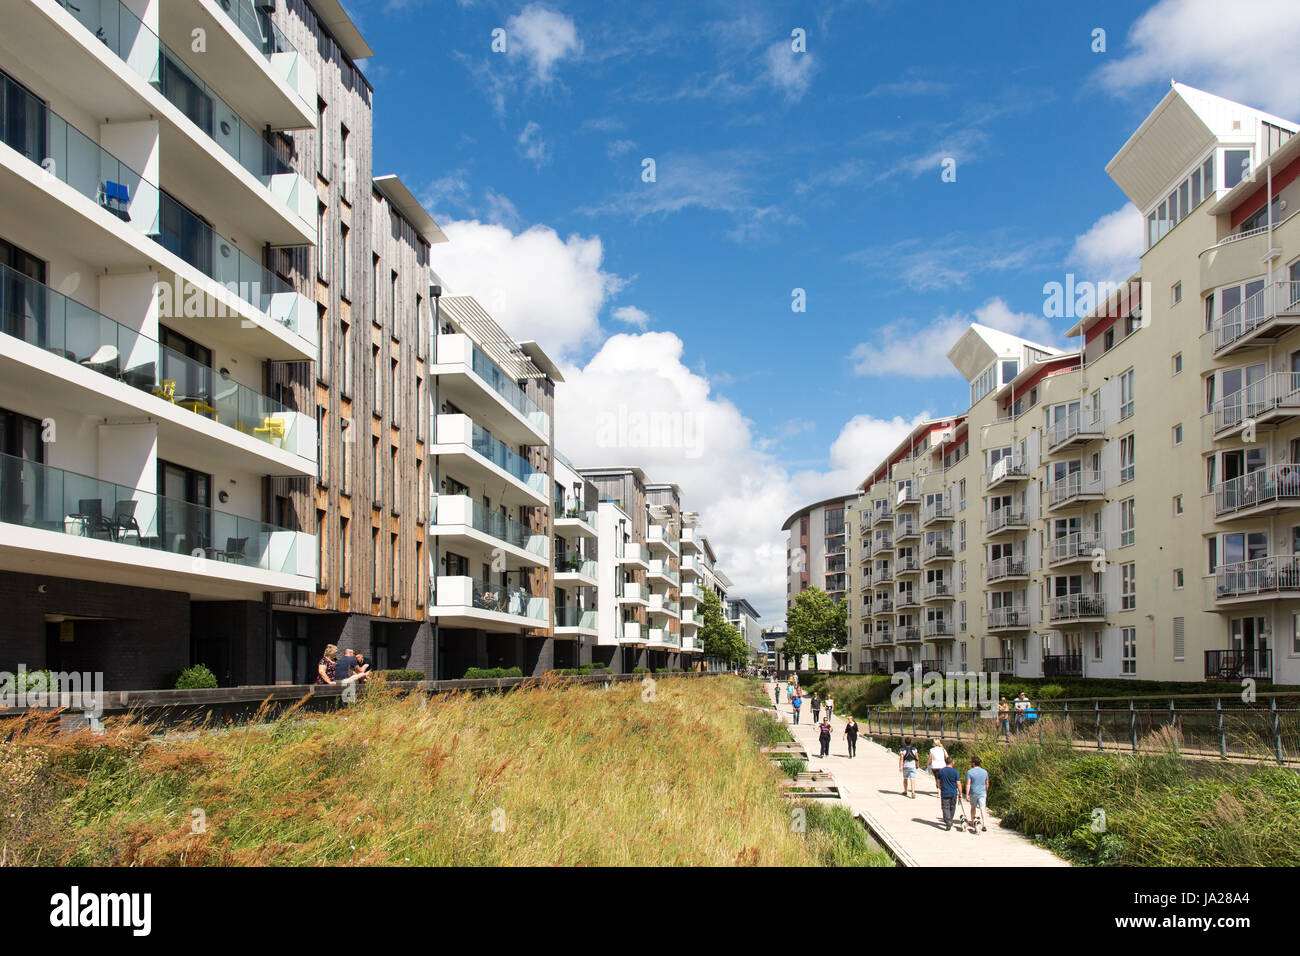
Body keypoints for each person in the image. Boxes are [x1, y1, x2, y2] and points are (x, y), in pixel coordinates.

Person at [965, 756, 990, 832]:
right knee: (982, 808)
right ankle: (984, 824)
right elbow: (987, 783)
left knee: (973, 807)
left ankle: (972, 821)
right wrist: (986, 791)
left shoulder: (970, 772)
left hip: (973, 792)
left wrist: (967, 794)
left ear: (973, 763)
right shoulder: (985, 772)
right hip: (982, 792)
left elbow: (968, 784)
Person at [937, 755, 961, 830]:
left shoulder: (941, 771)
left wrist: (940, 787)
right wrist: (960, 793)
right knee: (952, 807)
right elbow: (958, 783)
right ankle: (950, 819)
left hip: (945, 792)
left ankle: (948, 820)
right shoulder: (955, 772)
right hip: (953, 792)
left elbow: (938, 782)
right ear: (952, 762)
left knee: (945, 807)